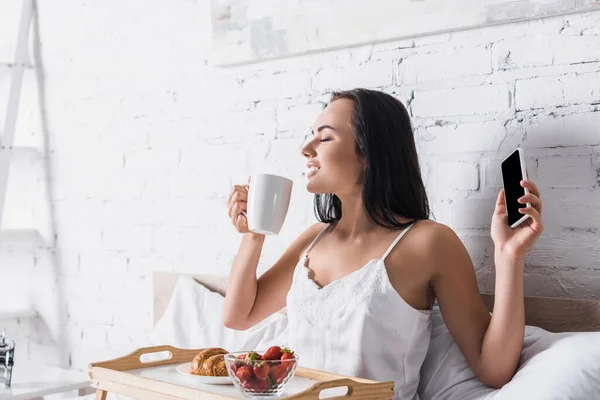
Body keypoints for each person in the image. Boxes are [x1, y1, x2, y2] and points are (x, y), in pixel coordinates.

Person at [223, 88, 543, 400]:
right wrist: (253, 234)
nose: (307, 148)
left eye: (324, 137)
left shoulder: (429, 243)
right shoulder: (314, 238)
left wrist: (508, 256)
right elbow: (239, 316)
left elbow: (494, 369)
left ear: (369, 151)